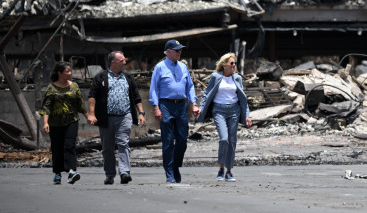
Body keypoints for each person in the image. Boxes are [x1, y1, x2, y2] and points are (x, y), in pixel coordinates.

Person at [87, 51, 146, 185]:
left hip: (125, 116)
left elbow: (137, 97)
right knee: (107, 147)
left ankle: (124, 172)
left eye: (125, 60)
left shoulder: (128, 77)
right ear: (113, 62)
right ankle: (109, 174)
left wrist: (141, 113)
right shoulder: (101, 77)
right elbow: (92, 96)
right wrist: (92, 113)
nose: (125, 62)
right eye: (122, 60)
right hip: (106, 118)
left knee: (123, 143)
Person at [149, 40, 200, 183]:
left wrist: (193, 104)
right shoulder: (160, 67)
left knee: (182, 139)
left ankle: (176, 165)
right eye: (177, 50)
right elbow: (154, 88)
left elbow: (190, 86)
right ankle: (170, 172)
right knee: (168, 140)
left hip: (181, 105)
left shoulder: (183, 67)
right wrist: (156, 107)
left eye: (180, 50)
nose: (179, 52)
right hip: (166, 104)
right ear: (168, 51)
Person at [198, 53, 252, 182]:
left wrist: (247, 115)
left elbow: (243, 98)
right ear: (224, 65)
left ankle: (229, 171)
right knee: (224, 139)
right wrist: (201, 107)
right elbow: (206, 93)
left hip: (234, 111)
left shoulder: (237, 78)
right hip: (219, 111)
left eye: (234, 63)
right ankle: (221, 168)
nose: (234, 65)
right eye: (231, 63)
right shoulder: (216, 77)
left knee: (232, 141)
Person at [40, 61, 89, 185]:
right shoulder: (51, 88)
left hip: (71, 121)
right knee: (57, 148)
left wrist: (88, 116)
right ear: (60, 73)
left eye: (70, 71)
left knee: (70, 145)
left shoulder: (74, 86)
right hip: (55, 123)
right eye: (67, 71)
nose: (70, 73)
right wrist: (45, 123)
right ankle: (57, 173)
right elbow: (46, 107)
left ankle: (72, 172)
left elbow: (80, 104)